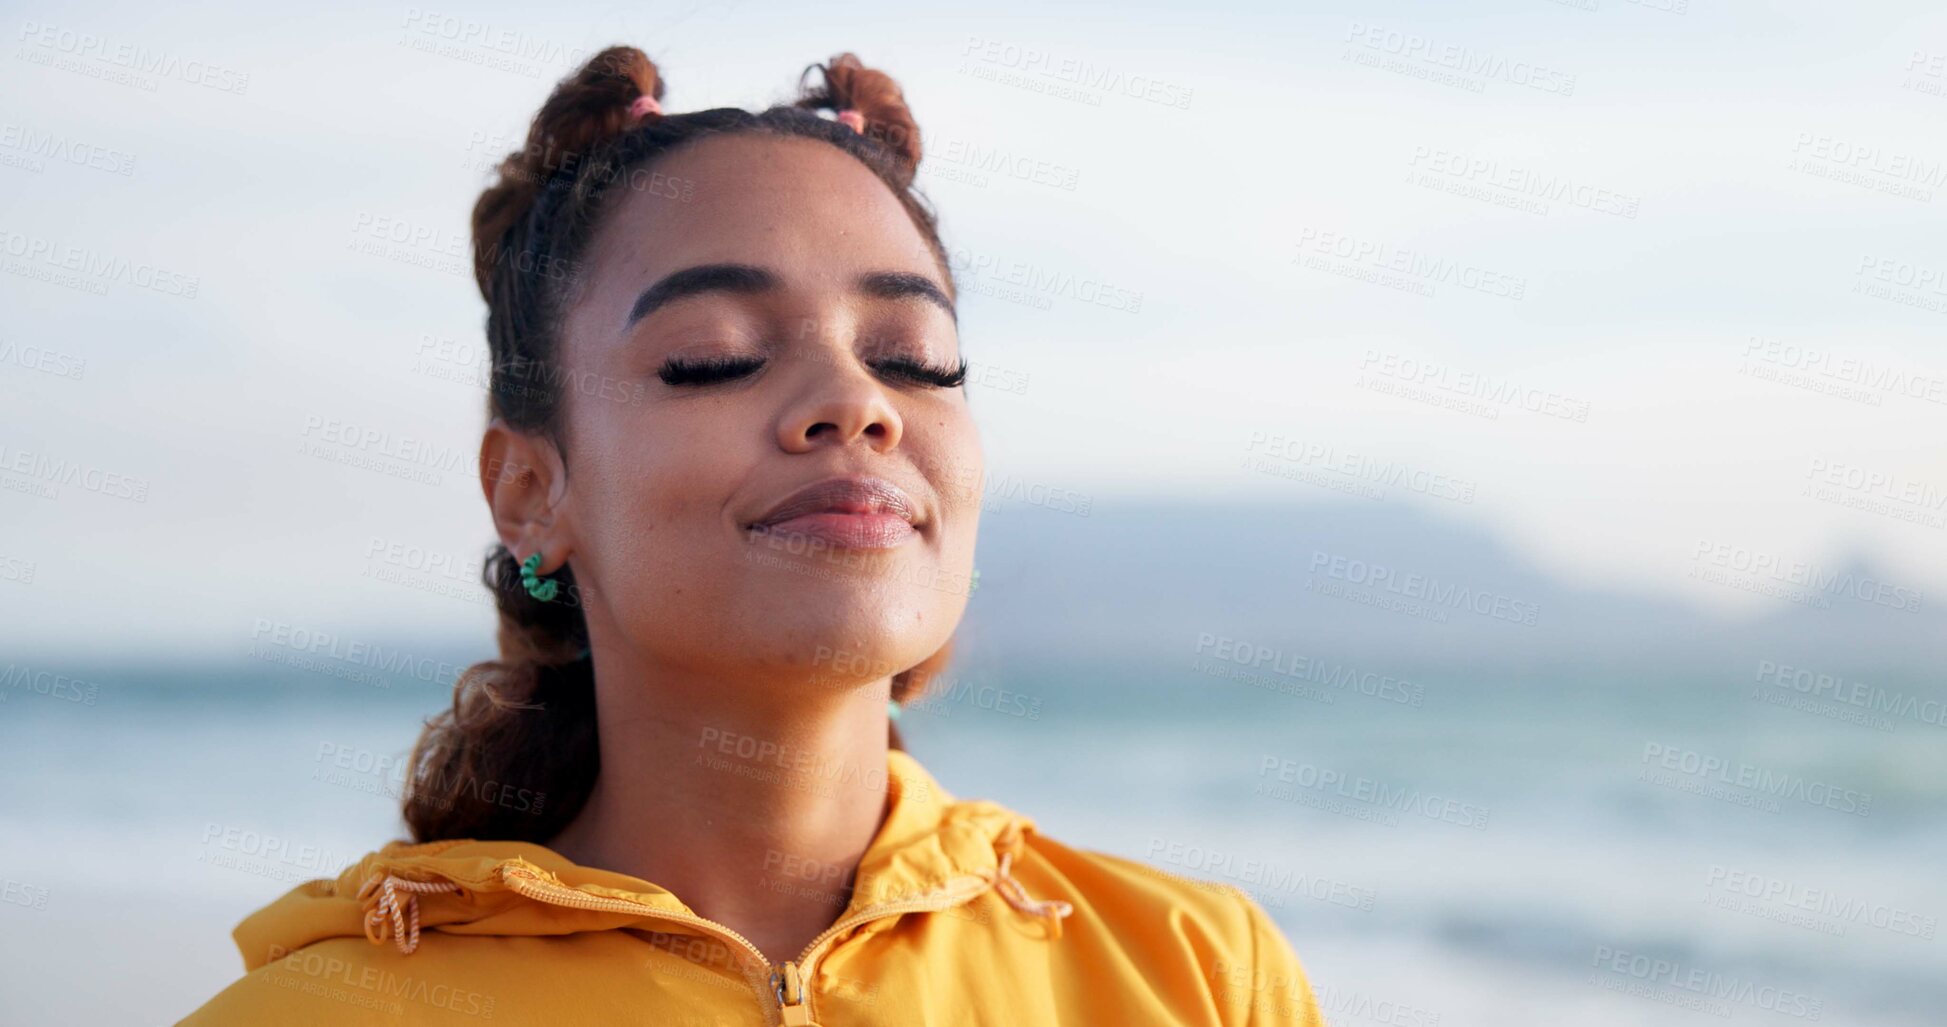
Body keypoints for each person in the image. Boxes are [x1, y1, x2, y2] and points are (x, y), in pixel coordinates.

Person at [180, 45, 1324, 1026]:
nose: (858, 402)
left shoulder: (1196, 974)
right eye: (715, 355)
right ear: (531, 487)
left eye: (915, 359)